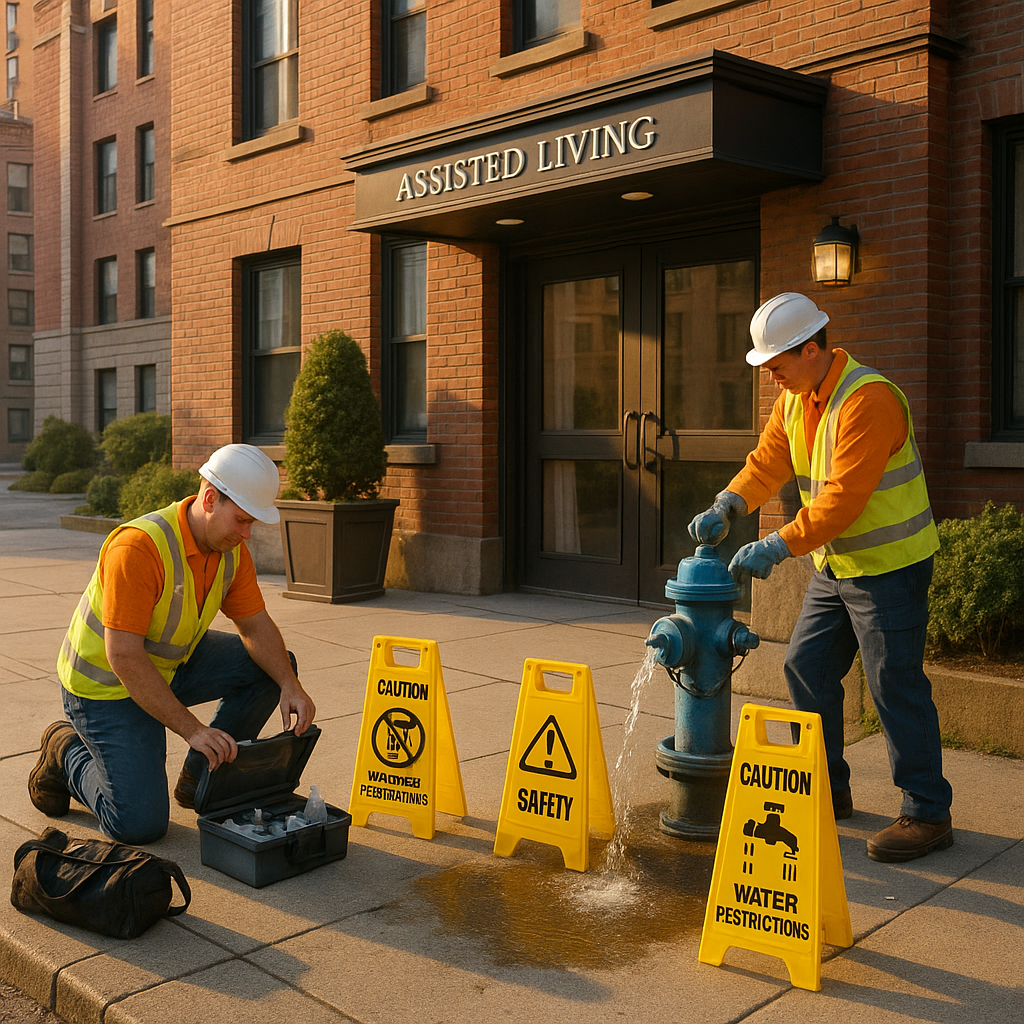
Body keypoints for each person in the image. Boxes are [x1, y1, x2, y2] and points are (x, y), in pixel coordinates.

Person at [689, 292, 952, 863]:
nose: (773, 378)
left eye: (777, 366)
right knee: (804, 667)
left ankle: (927, 810)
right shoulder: (798, 398)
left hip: (890, 567)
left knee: (894, 684)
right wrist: (730, 503)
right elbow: (769, 460)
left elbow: (844, 499)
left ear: (812, 349)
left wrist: (777, 544)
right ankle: (827, 791)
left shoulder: (869, 399)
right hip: (837, 566)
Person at [29, 444, 317, 845]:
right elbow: (123, 656)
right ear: (210, 498)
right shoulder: (139, 548)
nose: (247, 533)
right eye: (241, 520)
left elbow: (255, 626)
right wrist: (192, 730)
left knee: (271, 665)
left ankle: (202, 778)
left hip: (168, 668)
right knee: (138, 824)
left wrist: (290, 684)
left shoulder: (230, 551)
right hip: (105, 688)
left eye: (252, 523)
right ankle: (66, 753)